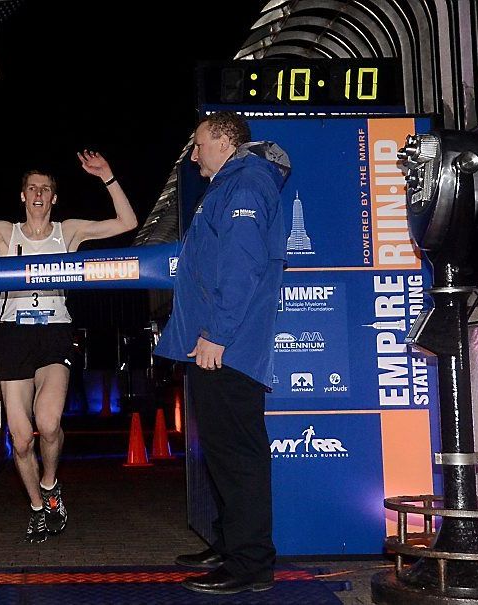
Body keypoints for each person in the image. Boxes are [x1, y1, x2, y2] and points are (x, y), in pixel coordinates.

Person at [0, 137, 138, 543]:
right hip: (13, 336)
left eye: (45, 189)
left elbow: (127, 223)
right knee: (20, 435)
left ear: (54, 197)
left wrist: (108, 177)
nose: (38, 194)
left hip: (54, 333)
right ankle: (35, 507)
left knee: (48, 425)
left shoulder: (70, 231)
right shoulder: (4, 235)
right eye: (32, 188)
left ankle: (50, 485)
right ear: (23, 195)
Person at [154, 112, 290, 594]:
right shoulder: (233, 183)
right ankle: (232, 546)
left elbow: (241, 266)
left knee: (239, 458)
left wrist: (218, 334)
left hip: (227, 349)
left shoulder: (247, 184)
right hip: (214, 346)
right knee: (225, 455)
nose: (194, 157)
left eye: (198, 146)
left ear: (225, 141)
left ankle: (250, 565)